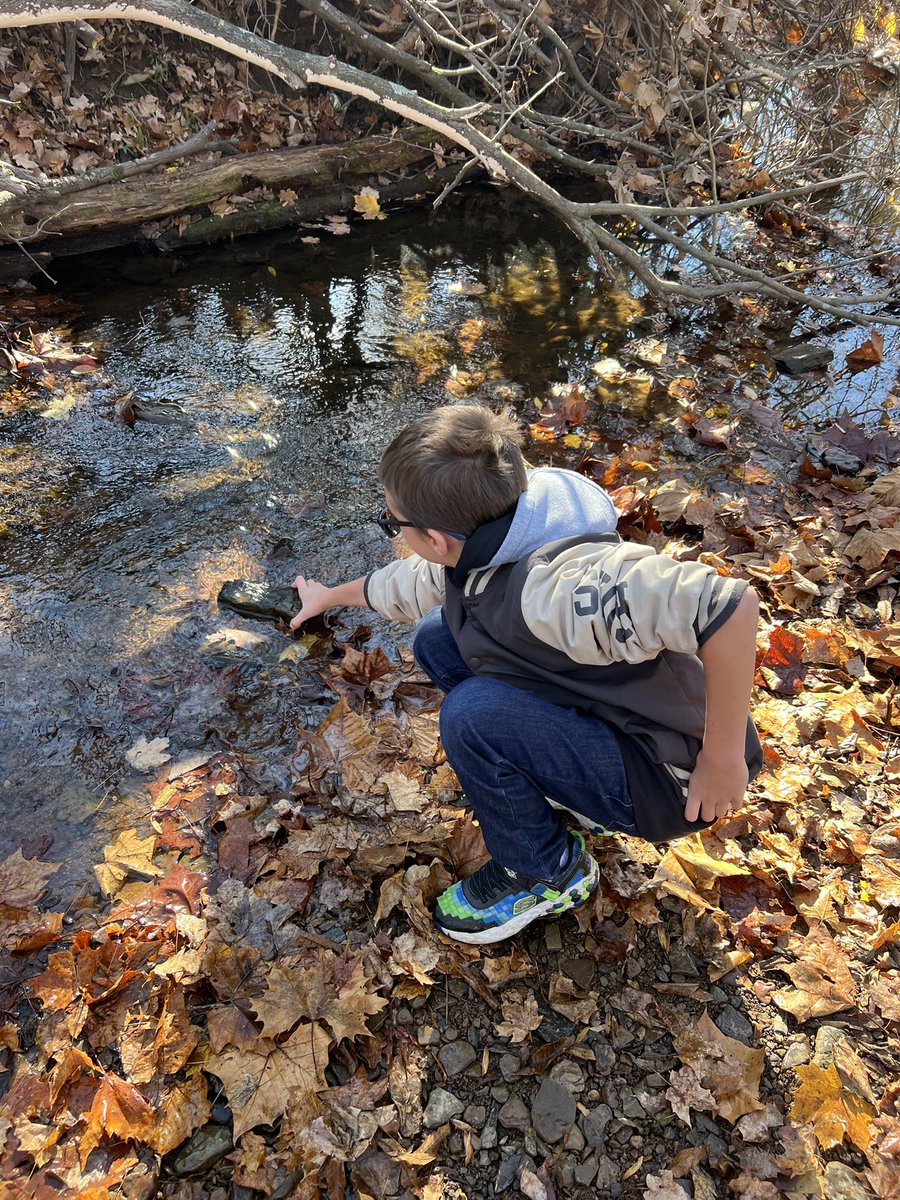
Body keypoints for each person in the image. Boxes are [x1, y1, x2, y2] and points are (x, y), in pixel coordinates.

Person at [289, 403, 761, 945]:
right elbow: (410, 584)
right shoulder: (499, 528)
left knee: (470, 717)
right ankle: (547, 781)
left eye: (393, 523)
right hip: (617, 716)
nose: (393, 532)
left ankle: (545, 870)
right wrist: (328, 597)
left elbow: (729, 608)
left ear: (437, 540)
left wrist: (721, 760)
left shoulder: (562, 591)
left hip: (669, 777)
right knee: (436, 639)